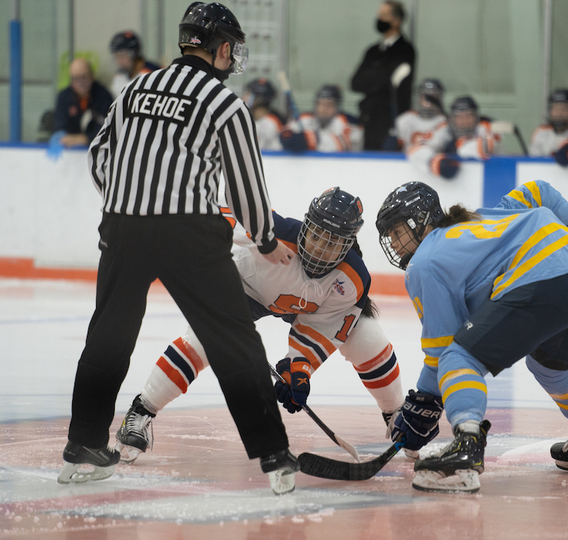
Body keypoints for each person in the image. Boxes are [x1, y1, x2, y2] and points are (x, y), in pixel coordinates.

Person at [59, 2, 299, 496]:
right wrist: (266, 239)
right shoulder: (224, 103)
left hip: (124, 226)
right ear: (223, 48)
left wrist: (125, 202)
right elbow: (246, 185)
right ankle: (274, 455)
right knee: (232, 338)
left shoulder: (134, 88)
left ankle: (84, 445)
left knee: (110, 332)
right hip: (189, 231)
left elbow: (99, 153)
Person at [115, 188, 405, 463]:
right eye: (316, 235)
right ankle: (141, 411)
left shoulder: (351, 279)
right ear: (306, 225)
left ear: (348, 245)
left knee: (366, 336)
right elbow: (211, 215)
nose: (319, 248)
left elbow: (320, 330)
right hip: (241, 289)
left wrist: (298, 370)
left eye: (332, 243)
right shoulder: (272, 231)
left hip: (305, 310)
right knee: (205, 340)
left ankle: (396, 416)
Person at [375, 180, 568, 493]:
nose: (394, 244)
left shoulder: (425, 262)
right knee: (551, 366)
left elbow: (443, 350)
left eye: (397, 232)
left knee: (457, 357)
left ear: (421, 221)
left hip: (544, 283)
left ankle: (466, 449)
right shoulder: (485, 217)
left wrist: (423, 405)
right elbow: (538, 191)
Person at [350, 1, 415, 151]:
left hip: (391, 121)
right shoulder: (372, 50)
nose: (379, 19)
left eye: (384, 15)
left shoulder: (405, 50)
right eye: (379, 15)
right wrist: (381, 78)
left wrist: (373, 78)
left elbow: (395, 84)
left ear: (397, 21)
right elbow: (356, 83)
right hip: (368, 118)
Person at [407, 96, 501, 180]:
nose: (464, 121)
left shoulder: (485, 127)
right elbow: (415, 149)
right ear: (453, 119)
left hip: (495, 178)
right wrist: (434, 162)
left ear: (476, 117)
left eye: (468, 116)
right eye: (459, 117)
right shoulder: (445, 129)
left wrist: (457, 147)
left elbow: (486, 145)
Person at [280, 85, 363, 152]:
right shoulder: (305, 118)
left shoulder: (350, 123)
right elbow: (285, 132)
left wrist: (310, 139)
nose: (323, 109)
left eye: (329, 105)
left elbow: (342, 146)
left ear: (337, 107)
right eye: (320, 104)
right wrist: (288, 136)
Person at [52, 58, 113, 147]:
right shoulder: (64, 97)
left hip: (99, 150)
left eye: (84, 76)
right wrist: (64, 138)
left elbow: (107, 130)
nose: (80, 82)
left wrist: (85, 138)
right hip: (70, 152)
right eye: (76, 78)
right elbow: (60, 127)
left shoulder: (104, 96)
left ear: (92, 76)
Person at [529, 88, 568, 166]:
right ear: (550, 111)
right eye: (556, 109)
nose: (559, 114)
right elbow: (533, 161)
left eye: (563, 109)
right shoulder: (540, 132)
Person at [391, 78, 447, 152]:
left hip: (435, 162)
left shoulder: (445, 122)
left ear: (439, 99)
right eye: (426, 97)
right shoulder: (405, 119)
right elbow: (393, 147)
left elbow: (439, 147)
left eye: (433, 97)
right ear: (420, 98)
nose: (429, 103)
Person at [109, 31, 161, 96]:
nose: (119, 61)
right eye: (117, 56)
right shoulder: (119, 76)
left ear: (134, 54)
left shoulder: (153, 74)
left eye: (122, 55)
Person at [241, 78, 286, 151]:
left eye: (248, 94)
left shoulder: (272, 122)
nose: (244, 97)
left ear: (259, 99)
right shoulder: (245, 117)